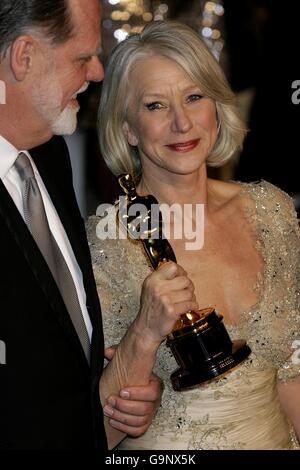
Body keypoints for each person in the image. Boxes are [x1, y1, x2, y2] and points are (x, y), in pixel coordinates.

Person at [87, 20, 300, 450]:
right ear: (127, 128)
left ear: (216, 107)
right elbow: (91, 432)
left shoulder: (271, 212)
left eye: (194, 97)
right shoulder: (105, 242)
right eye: (154, 106)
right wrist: (145, 331)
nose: (182, 123)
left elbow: (291, 374)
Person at [0, 2, 198, 450]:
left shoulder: (47, 154)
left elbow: (62, 346)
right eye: (81, 57)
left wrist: (117, 397)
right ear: (24, 56)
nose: (97, 73)